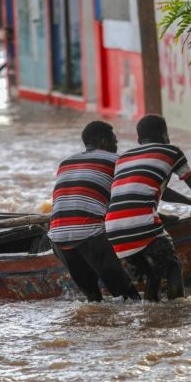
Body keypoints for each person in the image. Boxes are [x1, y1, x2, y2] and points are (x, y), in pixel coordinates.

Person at [106, 114, 191, 301]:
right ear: (165, 135)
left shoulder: (123, 158)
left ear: (139, 139)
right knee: (174, 267)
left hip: (113, 229)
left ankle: (152, 314)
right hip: (143, 223)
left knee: (154, 273)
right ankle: (177, 312)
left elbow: (156, 190)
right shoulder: (171, 151)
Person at [47, 121, 141, 302]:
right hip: (90, 234)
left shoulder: (65, 163)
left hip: (57, 236)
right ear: (105, 142)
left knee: (93, 300)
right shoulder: (117, 161)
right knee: (128, 296)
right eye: (115, 142)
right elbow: (130, 199)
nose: (116, 146)